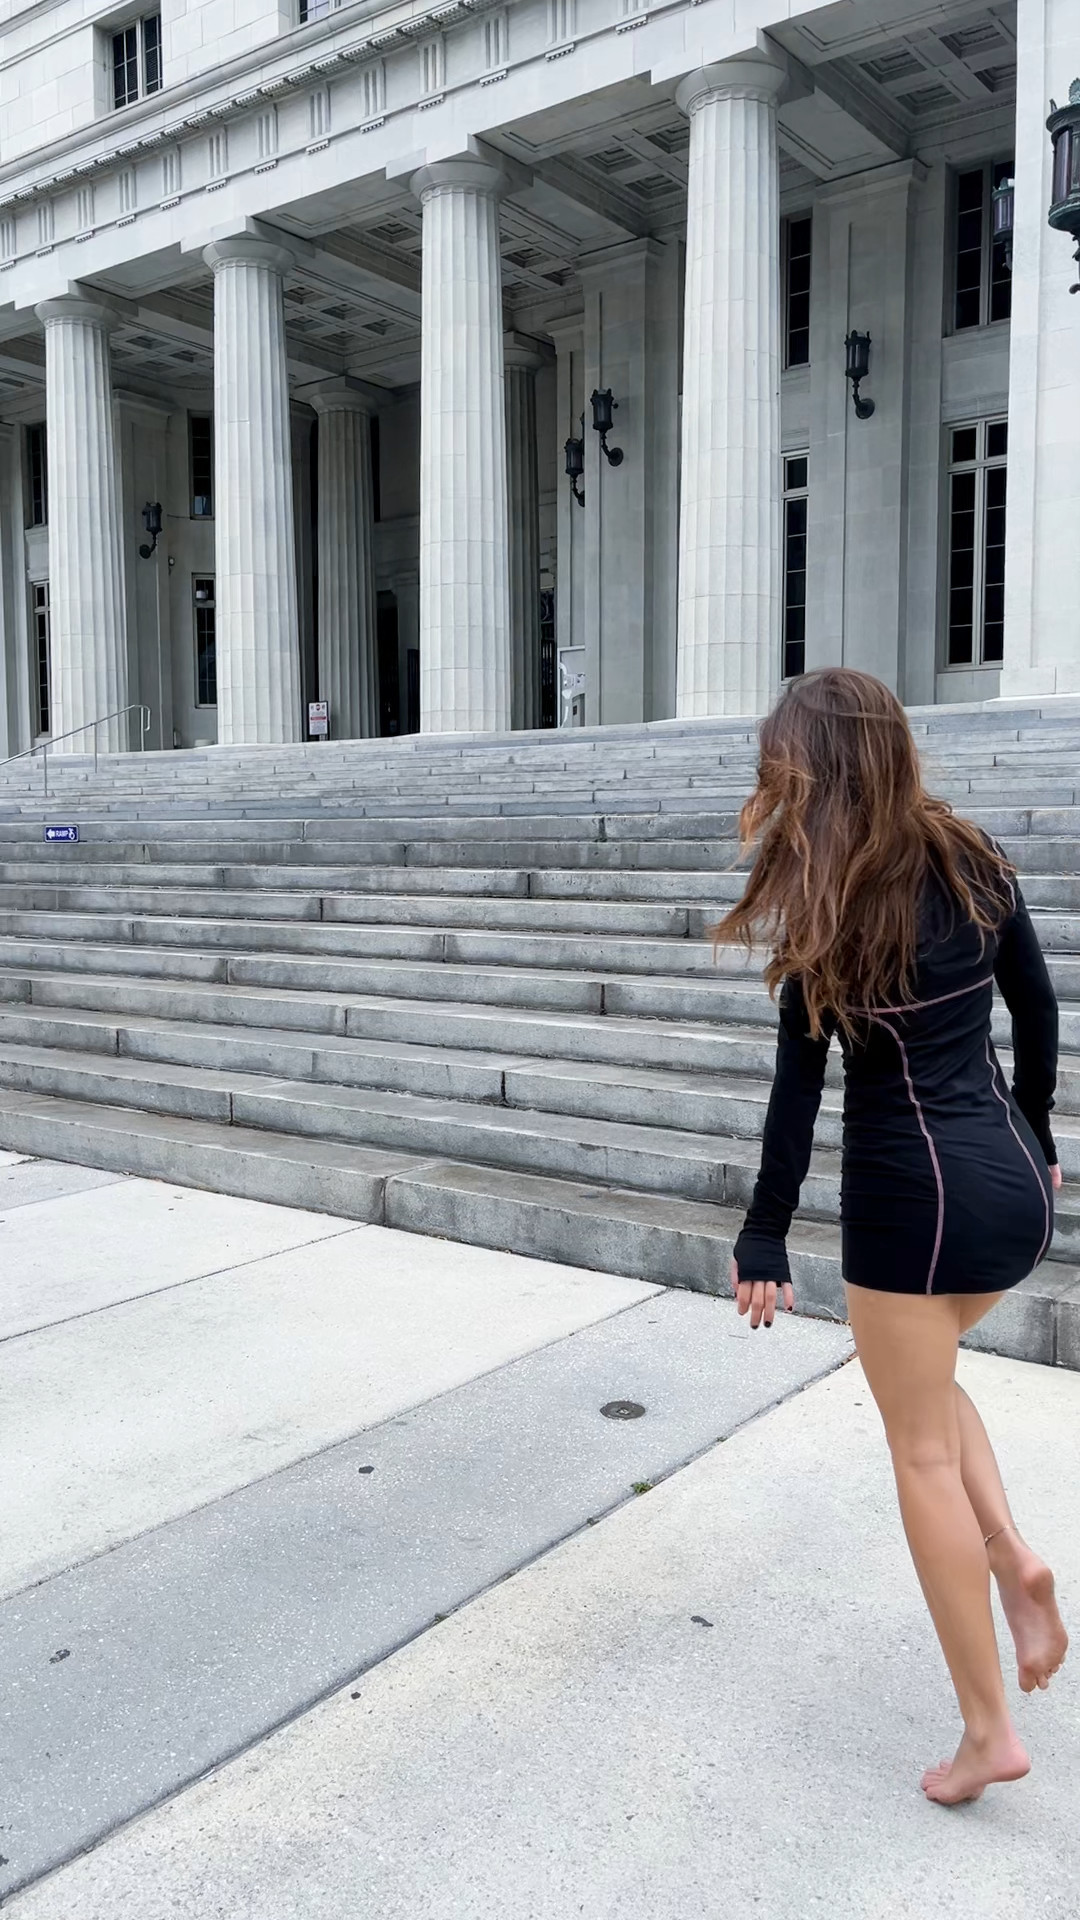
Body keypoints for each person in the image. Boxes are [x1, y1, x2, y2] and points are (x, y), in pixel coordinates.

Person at [718, 667, 1068, 1806]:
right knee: (931, 1385)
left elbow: (796, 1095)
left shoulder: (830, 907)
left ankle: (988, 1732)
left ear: (814, 772)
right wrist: (1039, 1132)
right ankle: (1014, 1561)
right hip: (1013, 1190)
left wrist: (764, 1234)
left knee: (916, 1446)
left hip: (910, 1207)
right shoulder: (974, 857)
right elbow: (1038, 1009)